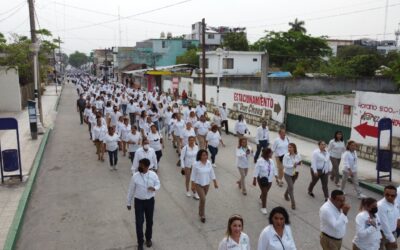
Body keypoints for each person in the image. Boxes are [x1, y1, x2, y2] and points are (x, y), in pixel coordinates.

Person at [127, 158, 161, 250]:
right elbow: (131, 190)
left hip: (150, 201)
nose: (140, 167)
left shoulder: (153, 175)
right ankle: (140, 243)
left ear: (147, 167)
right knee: (139, 222)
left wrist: (154, 188)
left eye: (142, 165)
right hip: (139, 202)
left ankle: (148, 239)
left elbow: (158, 184)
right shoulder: (135, 176)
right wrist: (128, 202)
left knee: (149, 221)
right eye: (139, 165)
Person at [191, 149, 218, 223]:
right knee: (203, 199)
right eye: (203, 155)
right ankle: (202, 215)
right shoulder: (196, 164)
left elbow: (212, 173)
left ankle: (200, 211)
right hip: (198, 184)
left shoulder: (209, 163)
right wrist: (192, 185)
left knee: (202, 200)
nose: (205, 157)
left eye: (206, 155)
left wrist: (215, 182)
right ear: (200, 156)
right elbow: (193, 175)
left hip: (207, 184)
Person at [253, 148, 278, 215]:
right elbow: (256, 170)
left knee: (265, 192)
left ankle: (261, 197)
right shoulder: (260, 161)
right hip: (262, 179)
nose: (272, 154)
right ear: (267, 154)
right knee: (265, 193)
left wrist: (276, 177)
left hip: (269, 180)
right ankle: (263, 208)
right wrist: (254, 179)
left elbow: (274, 169)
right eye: (271, 153)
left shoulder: (271, 161)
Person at [377, 185, 400, 250]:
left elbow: (397, 213)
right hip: (381, 235)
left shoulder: (395, 203)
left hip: (393, 232)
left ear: (396, 195)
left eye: (392, 195)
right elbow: (385, 225)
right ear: (384, 194)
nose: (390, 197)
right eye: (387, 195)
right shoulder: (381, 206)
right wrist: (392, 240)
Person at [282, 143, 301, 210]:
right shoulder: (286, 156)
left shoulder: (298, 155)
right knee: (291, 187)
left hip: (295, 174)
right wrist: (293, 165)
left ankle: (285, 194)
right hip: (287, 174)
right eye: (288, 147)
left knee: (290, 186)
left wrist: (298, 165)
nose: (289, 149)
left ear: (294, 148)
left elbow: (300, 162)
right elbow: (284, 165)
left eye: (290, 147)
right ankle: (293, 203)